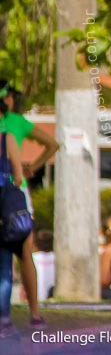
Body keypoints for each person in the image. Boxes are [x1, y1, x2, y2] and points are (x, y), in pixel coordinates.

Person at [0, 79, 58, 328]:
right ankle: (34, 314)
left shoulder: (15, 123)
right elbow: (53, 144)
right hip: (15, 200)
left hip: (9, 199)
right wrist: (31, 167)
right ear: (8, 98)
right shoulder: (16, 124)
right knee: (25, 255)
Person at [0, 128, 23, 340]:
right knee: (4, 269)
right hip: (2, 216)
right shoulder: (6, 139)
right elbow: (18, 178)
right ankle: (4, 322)